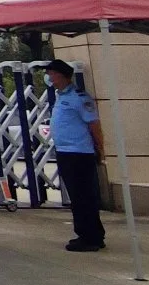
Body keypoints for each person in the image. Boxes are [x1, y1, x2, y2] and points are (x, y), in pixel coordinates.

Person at [45, 59, 105, 252]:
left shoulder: (80, 97)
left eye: (51, 74)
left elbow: (94, 125)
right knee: (77, 196)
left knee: (84, 197)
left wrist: (100, 149)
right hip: (66, 152)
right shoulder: (61, 96)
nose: (49, 78)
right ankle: (89, 233)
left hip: (79, 153)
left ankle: (90, 238)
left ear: (61, 75)